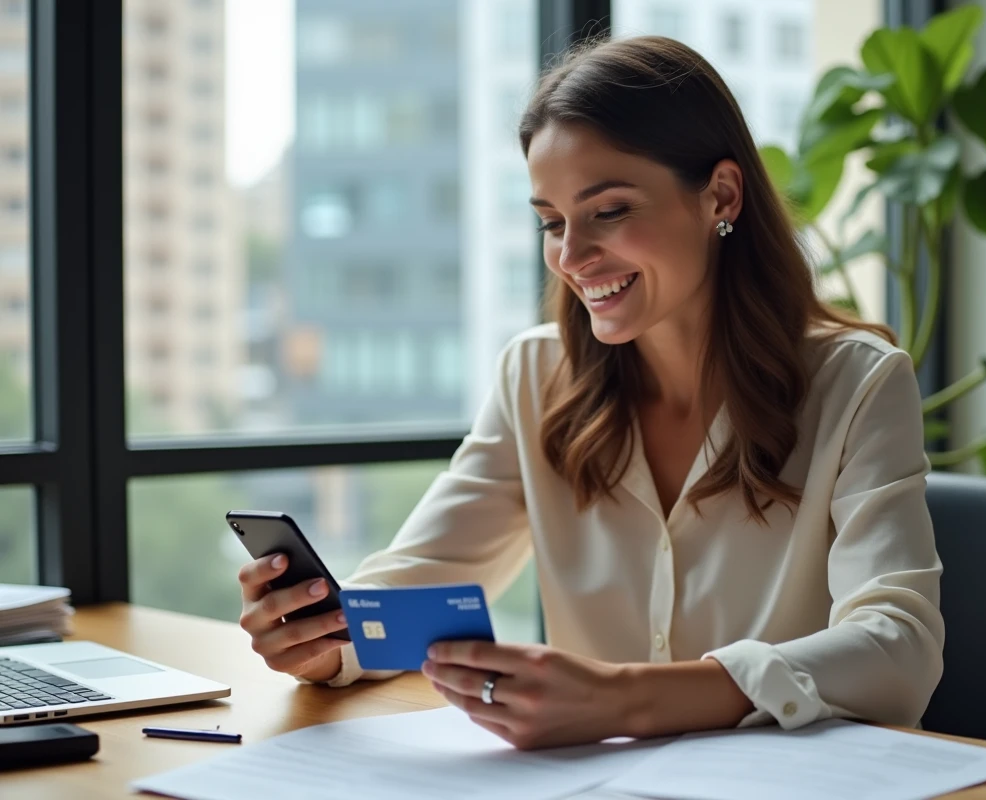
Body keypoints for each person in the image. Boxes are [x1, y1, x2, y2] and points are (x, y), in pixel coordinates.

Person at [237, 35, 944, 751]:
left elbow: (898, 649)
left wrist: (626, 699)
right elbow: (421, 580)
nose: (571, 257)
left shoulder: (858, 382)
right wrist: (327, 641)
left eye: (608, 211)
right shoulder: (536, 378)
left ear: (720, 195)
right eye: (551, 221)